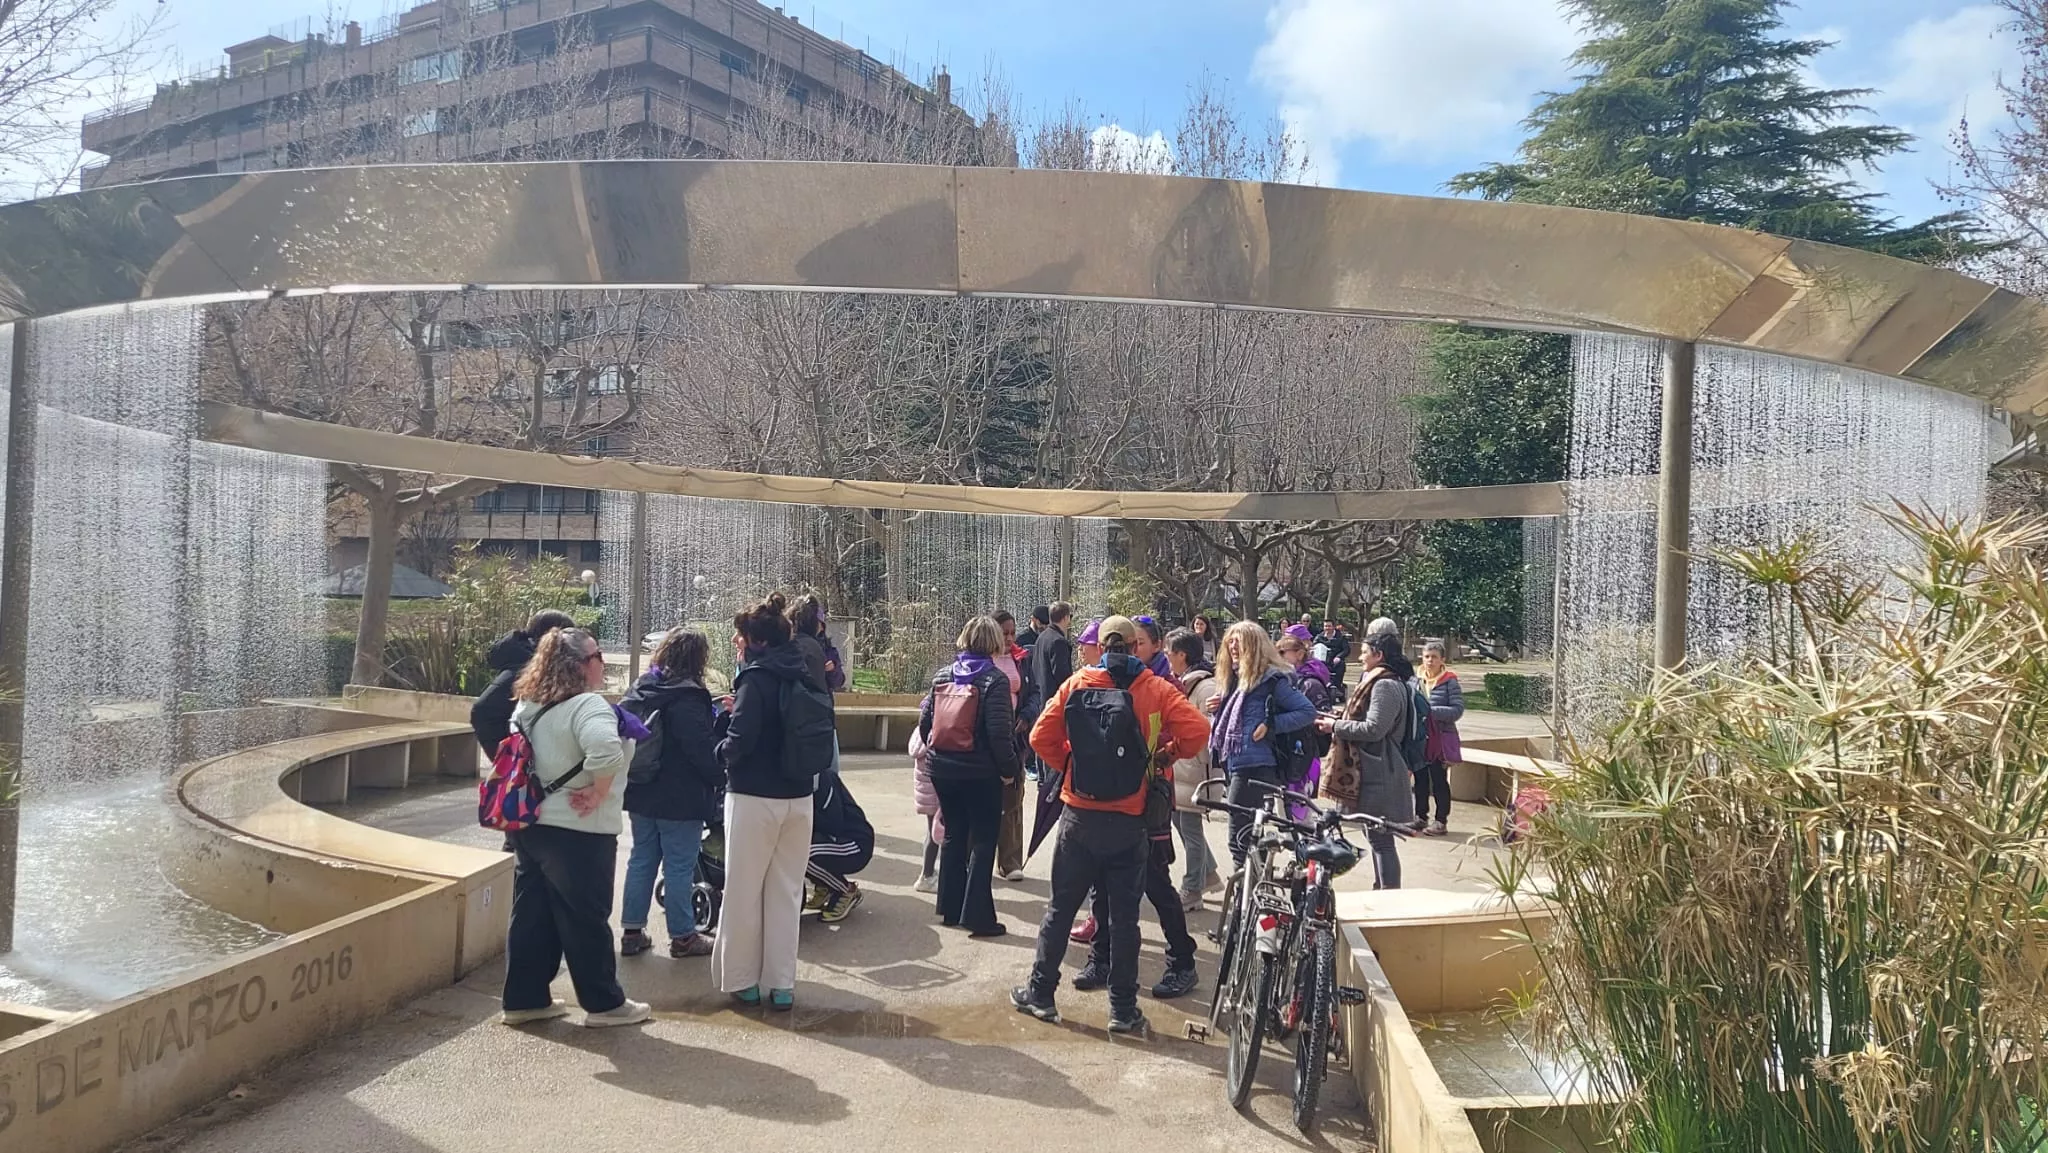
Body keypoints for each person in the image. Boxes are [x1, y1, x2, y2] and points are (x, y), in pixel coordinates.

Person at [1012, 616, 1210, 1034]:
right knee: (1124, 919)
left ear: (1101, 648)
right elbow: (1197, 730)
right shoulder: (1155, 688)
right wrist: (1163, 756)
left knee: (1061, 909)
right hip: (1130, 818)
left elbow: (1039, 738)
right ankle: (1122, 1009)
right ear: (1136, 648)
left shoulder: (1077, 684)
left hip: (1079, 816)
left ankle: (1041, 994)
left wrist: (1071, 765)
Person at [499, 627, 650, 1028]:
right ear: (581, 665)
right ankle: (604, 1005)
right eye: (598, 655)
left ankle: (524, 1000)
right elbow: (606, 751)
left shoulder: (527, 705)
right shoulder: (588, 706)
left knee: (532, 915)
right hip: (579, 831)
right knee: (586, 918)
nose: (602, 662)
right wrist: (599, 792)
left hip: (531, 824)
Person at [713, 593, 831, 1011]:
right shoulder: (805, 672)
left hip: (753, 798)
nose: (736, 641)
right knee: (786, 892)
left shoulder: (755, 679)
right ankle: (782, 985)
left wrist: (718, 748)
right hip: (799, 798)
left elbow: (740, 741)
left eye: (740, 636)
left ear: (756, 642)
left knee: (743, 891)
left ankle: (743, 981)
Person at [618, 628, 721, 960]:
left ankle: (632, 932)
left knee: (642, 859)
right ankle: (683, 937)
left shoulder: (644, 687)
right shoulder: (688, 696)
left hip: (641, 788)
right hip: (680, 796)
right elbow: (700, 749)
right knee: (679, 866)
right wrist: (720, 777)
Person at [918, 616, 1021, 938]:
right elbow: (1000, 734)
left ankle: (950, 909)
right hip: (980, 772)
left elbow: (925, 724)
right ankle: (978, 917)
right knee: (984, 839)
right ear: (993, 642)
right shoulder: (994, 680)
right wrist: (1010, 770)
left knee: (953, 834)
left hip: (942, 768)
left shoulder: (943, 675)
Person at [1206, 620, 1317, 865]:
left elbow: (1307, 711)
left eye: (1239, 641)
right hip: (1235, 762)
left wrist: (1271, 725)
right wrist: (1216, 709)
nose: (1233, 646)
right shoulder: (1234, 680)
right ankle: (1258, 883)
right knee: (1249, 836)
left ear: (1254, 645)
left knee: (1239, 838)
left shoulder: (1270, 679)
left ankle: (1244, 887)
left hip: (1256, 765)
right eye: (1230, 641)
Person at [1316, 631, 1415, 889]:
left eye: (1364, 652)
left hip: (1380, 770)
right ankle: (1381, 889)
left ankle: (1388, 895)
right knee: (1376, 838)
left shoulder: (1384, 685)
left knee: (1381, 840)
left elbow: (1374, 729)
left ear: (1378, 655)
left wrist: (1336, 726)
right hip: (1375, 767)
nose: (1359, 657)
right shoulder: (1381, 681)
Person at [1166, 628, 1224, 910]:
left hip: (1197, 771)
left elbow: (1210, 733)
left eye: (1170, 652)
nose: (1167, 656)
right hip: (1185, 769)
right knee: (1182, 823)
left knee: (1190, 829)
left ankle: (1192, 889)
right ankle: (1208, 874)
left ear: (1182, 655)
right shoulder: (1189, 684)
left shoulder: (1205, 687)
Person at [470, 610, 576, 756]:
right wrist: (508, 756)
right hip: (508, 740)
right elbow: (483, 710)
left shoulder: (525, 657)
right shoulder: (527, 665)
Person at [992, 610, 1041, 882]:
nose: (1010, 638)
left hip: (1015, 740)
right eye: (1004, 633)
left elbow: (1034, 693)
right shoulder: (981, 660)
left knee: (1013, 800)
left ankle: (1010, 862)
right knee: (986, 800)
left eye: (1012, 632)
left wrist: (1027, 714)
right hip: (987, 742)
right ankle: (977, 858)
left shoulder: (1021, 658)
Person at [807, 769, 874, 922]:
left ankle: (846, 890)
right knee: (792, 848)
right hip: (834, 839)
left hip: (855, 844)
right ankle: (824, 886)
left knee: (802, 854)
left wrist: (803, 814)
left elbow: (833, 823)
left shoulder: (822, 779)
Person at [1414, 639, 1465, 837]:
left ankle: (1441, 820)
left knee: (1438, 780)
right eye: (1426, 657)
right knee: (1420, 778)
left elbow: (1457, 710)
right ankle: (1420, 816)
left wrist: (1430, 712)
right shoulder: (1415, 680)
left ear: (1442, 659)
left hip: (1440, 739)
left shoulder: (1450, 681)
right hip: (1420, 738)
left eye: (1434, 657)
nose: (1430, 661)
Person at [909, 723, 942, 893]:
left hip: (926, 795)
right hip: (936, 792)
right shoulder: (937, 735)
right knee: (939, 834)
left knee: (931, 833)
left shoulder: (920, 734)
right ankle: (927, 876)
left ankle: (926, 873)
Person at [1319, 620, 1352, 689]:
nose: (1327, 628)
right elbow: (1314, 646)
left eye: (1329, 626)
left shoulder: (1341, 637)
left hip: (1335, 661)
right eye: (1325, 626)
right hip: (1322, 661)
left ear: (1333, 627)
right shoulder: (1319, 637)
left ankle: (1337, 687)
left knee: (1341, 664)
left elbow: (1346, 650)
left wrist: (1339, 657)